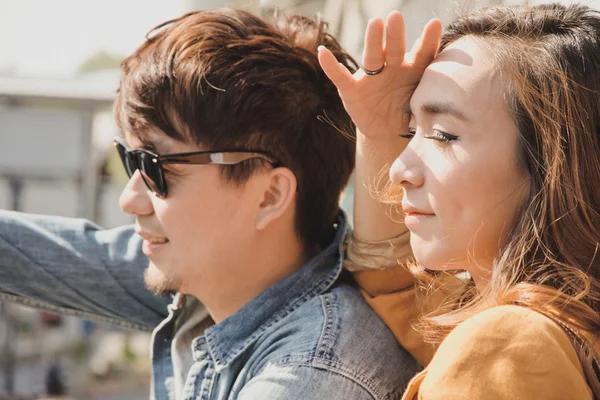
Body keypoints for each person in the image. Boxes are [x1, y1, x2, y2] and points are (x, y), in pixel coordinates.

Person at [0, 9, 422, 400]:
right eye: (129, 160)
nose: (130, 199)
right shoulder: (229, 274)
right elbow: (29, 255)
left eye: (154, 165)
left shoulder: (310, 375)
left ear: (269, 195)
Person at [319, 3, 600, 399]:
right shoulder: (555, 324)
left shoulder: (502, 348)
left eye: (444, 135)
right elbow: (394, 282)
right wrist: (380, 132)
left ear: (554, 163)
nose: (398, 171)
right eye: (411, 130)